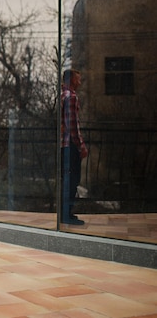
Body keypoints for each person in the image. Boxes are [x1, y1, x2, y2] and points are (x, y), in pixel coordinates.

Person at [60, 69, 88, 225]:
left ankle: (65, 214)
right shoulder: (71, 97)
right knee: (72, 180)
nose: (79, 82)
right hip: (70, 145)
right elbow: (73, 126)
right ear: (71, 80)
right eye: (77, 79)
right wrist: (81, 146)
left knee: (66, 179)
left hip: (63, 145)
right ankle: (67, 215)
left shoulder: (62, 96)